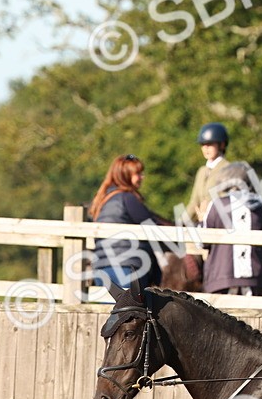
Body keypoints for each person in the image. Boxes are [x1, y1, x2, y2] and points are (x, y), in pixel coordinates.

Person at [88, 154, 170, 296]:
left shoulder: (103, 200)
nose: (142, 177)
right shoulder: (127, 198)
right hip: (126, 267)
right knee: (131, 315)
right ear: (125, 175)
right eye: (138, 173)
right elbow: (152, 224)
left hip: (102, 269)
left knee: (111, 315)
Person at [200, 162, 262, 295]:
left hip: (221, 278)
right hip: (254, 278)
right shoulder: (259, 206)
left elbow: (202, 241)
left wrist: (200, 220)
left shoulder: (216, 205)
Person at [186, 123, 231, 224]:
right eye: (203, 144)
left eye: (210, 144)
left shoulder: (229, 169)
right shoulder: (202, 171)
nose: (205, 148)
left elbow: (226, 202)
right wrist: (180, 223)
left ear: (222, 145)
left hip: (219, 225)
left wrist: (207, 215)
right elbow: (194, 202)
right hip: (200, 224)